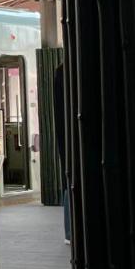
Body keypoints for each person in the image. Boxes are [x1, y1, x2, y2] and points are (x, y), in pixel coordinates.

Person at [54, 64, 71, 244]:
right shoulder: (67, 71)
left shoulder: (61, 71)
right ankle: (70, 231)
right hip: (70, 142)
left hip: (66, 141)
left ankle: (69, 233)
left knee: (68, 184)